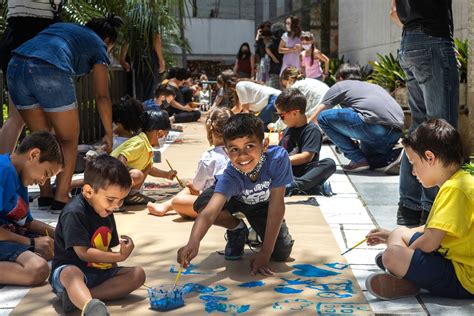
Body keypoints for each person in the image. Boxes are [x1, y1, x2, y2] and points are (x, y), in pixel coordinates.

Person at [6, 16, 123, 210]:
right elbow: (102, 95)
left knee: (41, 138)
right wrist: (109, 134)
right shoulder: (99, 45)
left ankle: (45, 195)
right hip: (49, 68)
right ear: (108, 40)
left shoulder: (66, 29)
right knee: (68, 139)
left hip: (16, 66)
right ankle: (61, 197)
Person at [365, 119, 474, 300]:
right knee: (399, 232)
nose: (413, 172)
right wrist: (392, 235)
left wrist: (406, 258)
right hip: (457, 263)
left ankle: (403, 280)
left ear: (430, 158)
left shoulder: (455, 188)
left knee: (392, 255)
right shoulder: (460, 181)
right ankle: (404, 272)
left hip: (465, 278)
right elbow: (432, 228)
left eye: (413, 163)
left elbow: (430, 241)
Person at [177, 114, 294, 276]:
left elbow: (277, 205)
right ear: (226, 151)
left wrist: (265, 253)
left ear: (265, 144)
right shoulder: (231, 176)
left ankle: (257, 230)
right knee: (203, 204)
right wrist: (193, 242)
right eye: (234, 149)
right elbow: (210, 212)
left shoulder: (278, 159)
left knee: (281, 253)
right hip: (235, 201)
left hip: (262, 206)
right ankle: (237, 228)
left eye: (249, 146)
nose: (242, 155)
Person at [390, 0, 460, 226]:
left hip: (409, 42)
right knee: (442, 132)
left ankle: (409, 207)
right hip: (432, 38)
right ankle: (432, 211)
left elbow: (394, 13)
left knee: (420, 129)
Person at [50, 155, 146, 314]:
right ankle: (90, 307)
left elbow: (106, 248)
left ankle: (78, 298)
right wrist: (119, 257)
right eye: (111, 199)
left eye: (121, 200)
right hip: (71, 273)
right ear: (88, 191)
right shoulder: (74, 212)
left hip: (98, 273)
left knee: (137, 274)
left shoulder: (106, 210)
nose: (116, 206)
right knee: (71, 273)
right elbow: (83, 253)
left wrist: (114, 263)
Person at [310, 64, 404, 172]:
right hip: (395, 132)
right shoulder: (374, 87)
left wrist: (301, 136)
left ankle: (357, 159)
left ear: (340, 77)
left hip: (373, 126)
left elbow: (315, 118)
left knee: (323, 117)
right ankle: (394, 156)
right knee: (370, 161)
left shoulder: (341, 85)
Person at [0, 0, 65, 154]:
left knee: (16, 117)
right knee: (46, 116)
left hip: (16, 34)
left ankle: (4, 172)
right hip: (39, 35)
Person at [0, 131, 63, 286]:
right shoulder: (3, 171)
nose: (43, 182)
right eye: (46, 174)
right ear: (34, 154)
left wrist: (61, 234)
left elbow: (26, 221)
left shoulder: (20, 177)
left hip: (7, 234)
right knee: (37, 269)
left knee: (56, 246)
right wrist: (31, 242)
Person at [147, 107, 232, 218]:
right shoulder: (237, 153)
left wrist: (192, 184)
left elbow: (197, 186)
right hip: (235, 202)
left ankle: (166, 206)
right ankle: (165, 206)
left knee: (180, 199)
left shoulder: (209, 157)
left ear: (210, 130)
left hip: (216, 205)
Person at [275, 89, 336, 196]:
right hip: (286, 172)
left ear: (294, 113)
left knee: (329, 163)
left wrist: (281, 160)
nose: (280, 119)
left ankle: (293, 187)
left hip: (303, 172)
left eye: (281, 116)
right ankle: (312, 187)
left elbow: (306, 156)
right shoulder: (289, 128)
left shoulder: (311, 130)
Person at [111, 109, 176, 204]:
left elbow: (149, 169)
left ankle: (132, 194)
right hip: (110, 173)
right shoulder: (140, 143)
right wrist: (121, 178)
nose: (165, 138)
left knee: (147, 166)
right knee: (137, 175)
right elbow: (122, 156)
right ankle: (116, 196)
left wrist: (166, 174)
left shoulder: (147, 147)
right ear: (160, 133)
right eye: (166, 135)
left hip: (115, 174)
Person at [119, 6, 166, 101]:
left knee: (136, 92)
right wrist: (161, 60)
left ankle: (139, 113)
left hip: (135, 59)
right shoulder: (149, 15)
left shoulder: (131, 15)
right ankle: (146, 114)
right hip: (150, 59)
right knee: (149, 92)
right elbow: (156, 38)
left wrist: (122, 59)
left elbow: (126, 40)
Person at [270, 66, 329, 132]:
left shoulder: (295, 88)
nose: (286, 89)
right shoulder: (308, 81)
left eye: (285, 85)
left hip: (320, 117)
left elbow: (286, 113)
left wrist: (275, 127)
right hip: (330, 111)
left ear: (289, 79)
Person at [265, 22, 285, 89]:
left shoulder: (284, 40)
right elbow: (267, 48)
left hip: (283, 67)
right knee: (275, 88)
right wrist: (274, 58)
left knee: (282, 88)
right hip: (275, 68)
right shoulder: (273, 41)